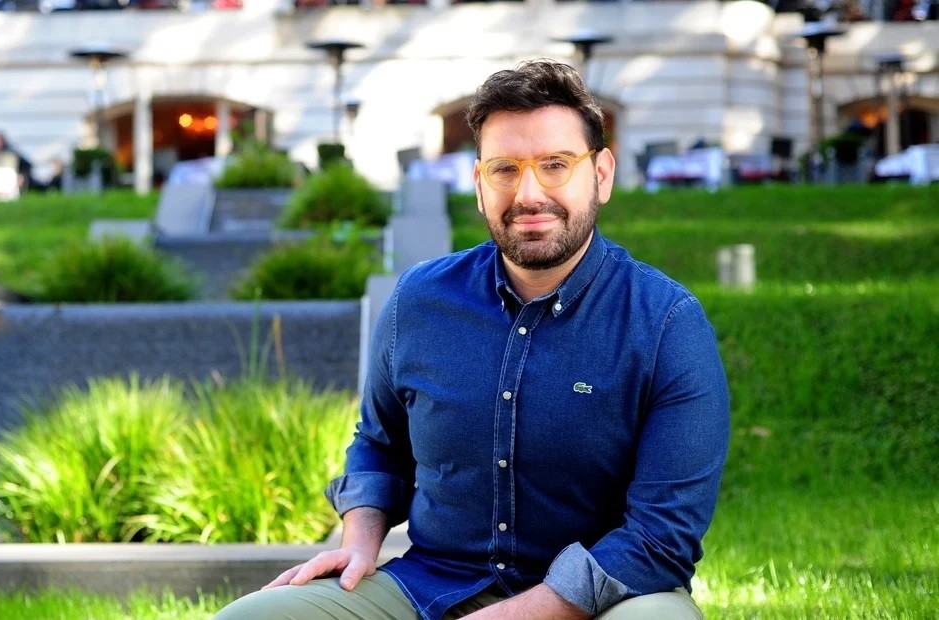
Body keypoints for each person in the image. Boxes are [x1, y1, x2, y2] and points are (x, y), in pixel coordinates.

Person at [215, 58, 730, 620]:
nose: (529, 193)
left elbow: (661, 535)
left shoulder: (667, 324)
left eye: (555, 165)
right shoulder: (419, 301)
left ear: (601, 175)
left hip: (608, 601)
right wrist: (359, 543)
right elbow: (379, 446)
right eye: (505, 169)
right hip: (431, 587)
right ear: (480, 183)